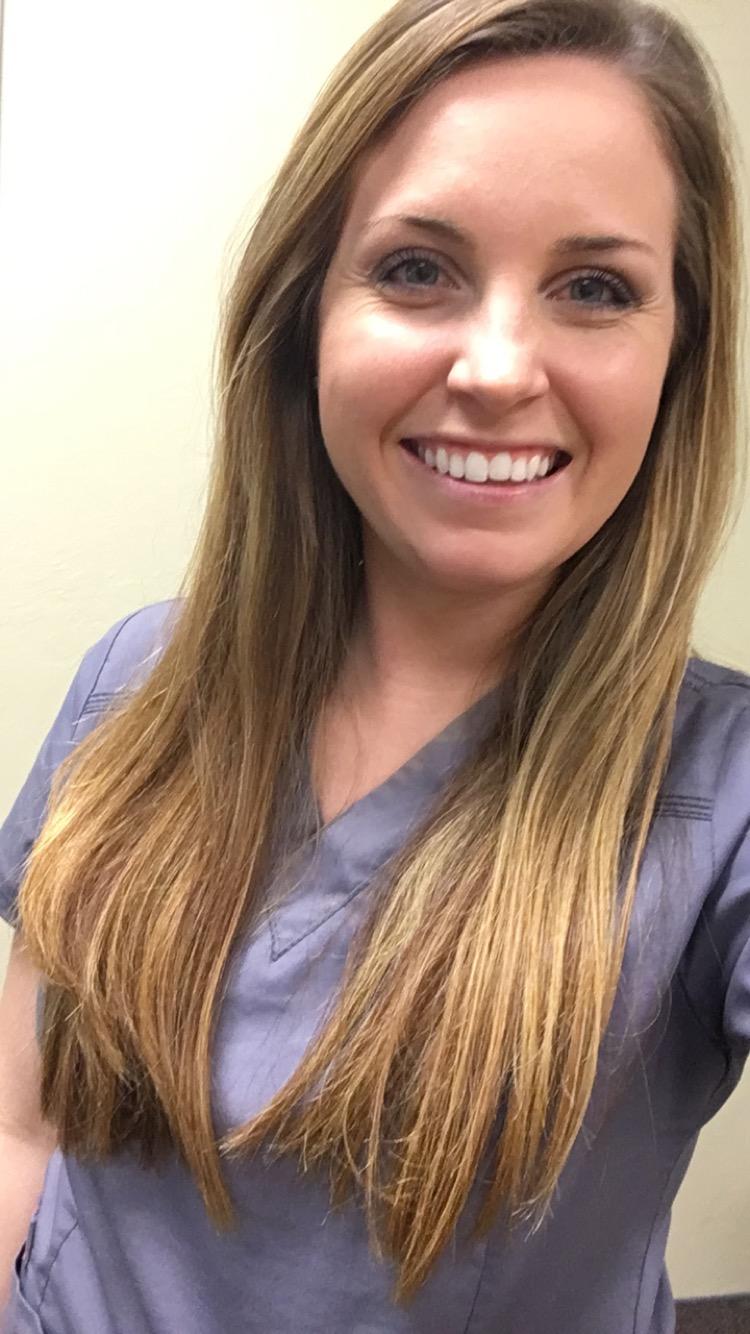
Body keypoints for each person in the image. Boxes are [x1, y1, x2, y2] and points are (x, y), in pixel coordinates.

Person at [0, 0, 748, 1329]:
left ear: (677, 353)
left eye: (594, 288)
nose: (497, 369)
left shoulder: (721, 799)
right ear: (306, 314)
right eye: (416, 269)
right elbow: (23, 1120)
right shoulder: (136, 675)